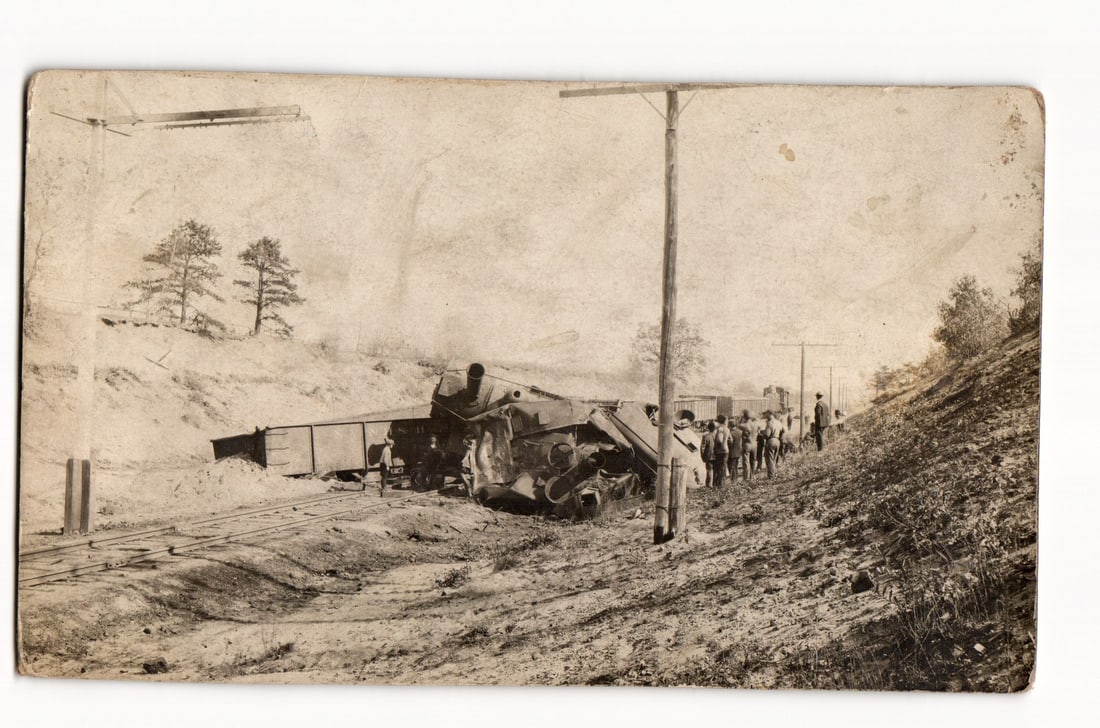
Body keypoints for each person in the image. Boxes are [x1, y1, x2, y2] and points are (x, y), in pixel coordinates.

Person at [711, 415, 732, 489]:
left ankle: (719, 484)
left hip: (720, 451)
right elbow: (731, 440)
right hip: (726, 450)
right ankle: (723, 483)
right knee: (723, 466)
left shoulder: (720, 429)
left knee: (718, 468)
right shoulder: (727, 429)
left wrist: (716, 446)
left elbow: (719, 440)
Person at [736, 410, 756, 482]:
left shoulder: (743, 425)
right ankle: (752, 476)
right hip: (754, 444)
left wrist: (740, 417)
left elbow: (737, 424)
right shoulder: (754, 424)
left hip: (747, 444)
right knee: (753, 461)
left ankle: (746, 478)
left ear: (744, 417)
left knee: (746, 461)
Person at [762, 411, 783, 479]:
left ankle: (771, 476)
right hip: (777, 440)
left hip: (771, 441)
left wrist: (762, 433)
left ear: (770, 414)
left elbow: (767, 435)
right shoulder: (778, 422)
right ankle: (774, 473)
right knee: (774, 459)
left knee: (770, 459)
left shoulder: (770, 423)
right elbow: (783, 431)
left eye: (767, 415)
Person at [700, 421, 717, 489]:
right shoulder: (717, 435)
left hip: (708, 456)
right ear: (715, 428)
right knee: (715, 470)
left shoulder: (705, 436)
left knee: (709, 470)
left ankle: (709, 485)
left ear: (708, 428)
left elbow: (702, 447)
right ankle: (715, 484)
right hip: (717, 455)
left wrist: (703, 456)